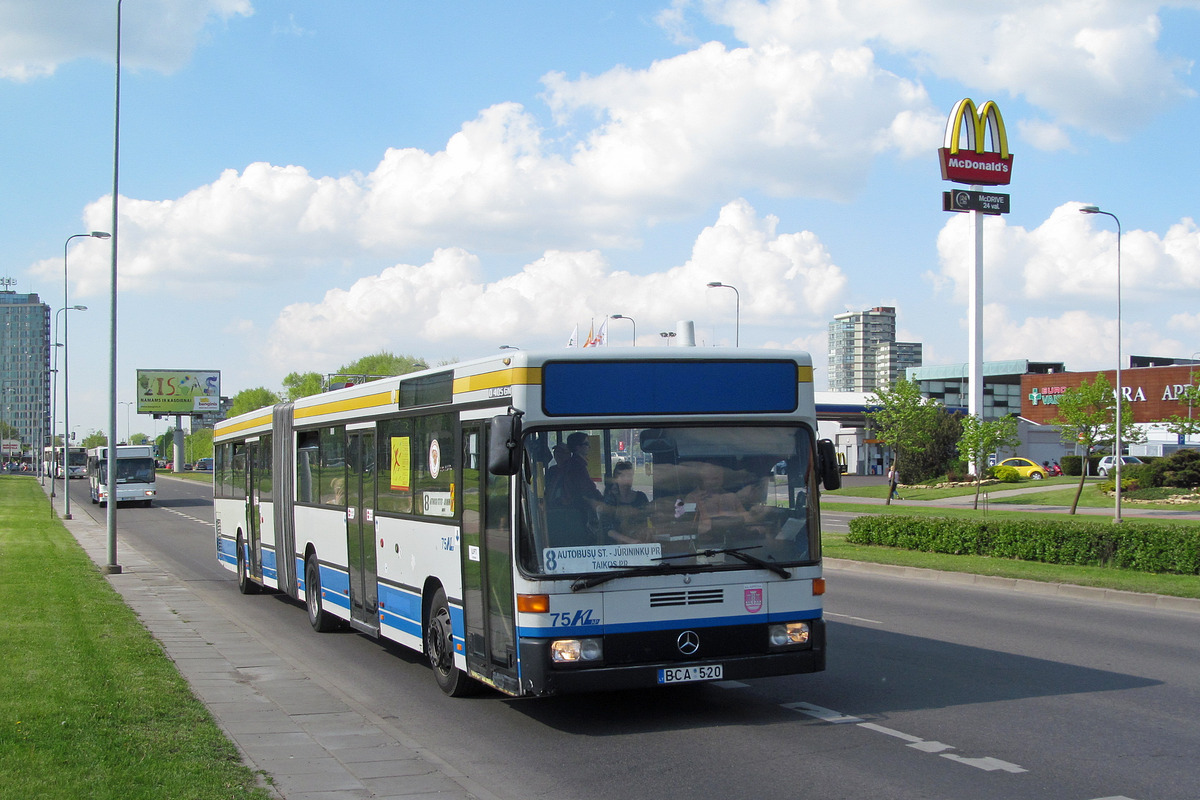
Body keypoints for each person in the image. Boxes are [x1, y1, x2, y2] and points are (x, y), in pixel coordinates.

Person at [600, 461, 649, 543]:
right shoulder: (611, 500)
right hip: (616, 549)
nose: (626, 480)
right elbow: (607, 529)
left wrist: (649, 531)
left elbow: (649, 519)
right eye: (622, 476)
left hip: (641, 543)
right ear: (616, 479)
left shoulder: (641, 497)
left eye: (629, 476)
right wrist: (630, 541)